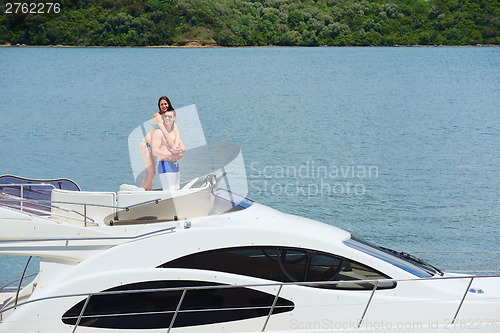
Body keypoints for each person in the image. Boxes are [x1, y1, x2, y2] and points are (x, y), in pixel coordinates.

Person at [140, 96, 183, 190]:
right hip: (146, 145)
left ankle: (147, 192)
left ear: (169, 104)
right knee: (151, 173)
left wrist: (176, 146)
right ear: (159, 106)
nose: (164, 106)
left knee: (150, 173)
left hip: (155, 144)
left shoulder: (169, 116)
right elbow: (165, 133)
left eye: (165, 104)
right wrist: (174, 150)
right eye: (161, 104)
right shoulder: (158, 116)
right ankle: (140, 193)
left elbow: (177, 132)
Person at [151, 109, 184, 190]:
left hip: (175, 165)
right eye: (165, 116)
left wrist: (180, 151)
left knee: (176, 189)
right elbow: (155, 151)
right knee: (169, 191)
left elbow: (182, 147)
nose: (167, 118)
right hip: (165, 165)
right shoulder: (158, 133)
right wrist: (170, 154)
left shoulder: (174, 133)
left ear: (174, 118)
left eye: (170, 116)